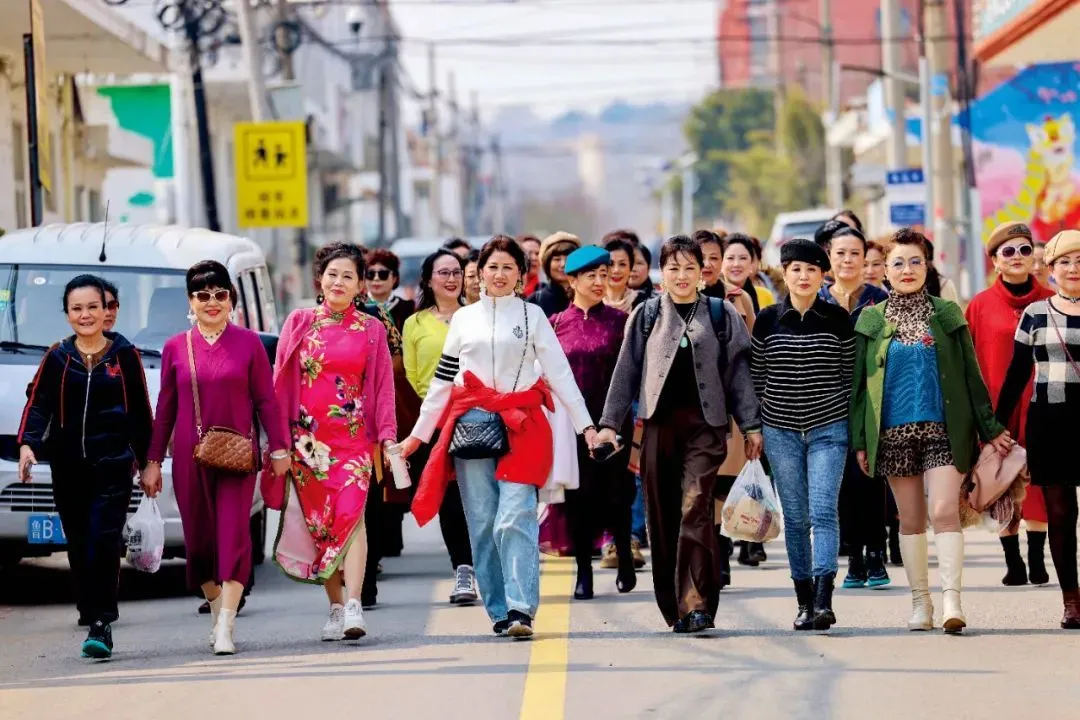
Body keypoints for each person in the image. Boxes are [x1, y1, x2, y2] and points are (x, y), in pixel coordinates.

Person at [399, 235, 597, 639]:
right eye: (493, 267)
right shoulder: (464, 320)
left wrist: (587, 427)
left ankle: (522, 607)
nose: (500, 274)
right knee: (485, 522)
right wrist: (417, 436)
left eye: (509, 267)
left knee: (515, 516)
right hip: (472, 426)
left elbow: (559, 374)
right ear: (481, 274)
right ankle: (499, 609)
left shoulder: (533, 317)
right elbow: (442, 382)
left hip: (523, 424)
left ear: (521, 275)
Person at [598, 235, 762, 634]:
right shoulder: (647, 315)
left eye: (690, 268)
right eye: (673, 268)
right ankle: (674, 606)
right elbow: (625, 374)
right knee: (662, 516)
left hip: (706, 430)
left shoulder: (722, 315)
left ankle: (698, 603)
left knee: (696, 508)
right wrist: (607, 424)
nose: (683, 275)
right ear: (661, 273)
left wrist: (752, 424)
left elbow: (740, 375)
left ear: (703, 274)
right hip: (658, 429)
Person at [850, 228, 1011, 634]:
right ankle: (920, 602)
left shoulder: (947, 313)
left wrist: (990, 428)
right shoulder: (870, 319)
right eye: (898, 263)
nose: (907, 269)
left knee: (943, 511)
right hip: (892, 433)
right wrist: (860, 441)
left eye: (915, 261)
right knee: (910, 519)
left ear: (927, 266)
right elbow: (857, 388)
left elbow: (971, 377)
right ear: (884, 270)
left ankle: (951, 600)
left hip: (943, 428)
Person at [142, 261, 289, 656]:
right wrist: (153, 460)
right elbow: (166, 409)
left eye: (220, 294)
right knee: (201, 545)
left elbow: (267, 402)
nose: (212, 302)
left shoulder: (249, 344)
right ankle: (215, 608)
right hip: (191, 459)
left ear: (231, 299)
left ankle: (226, 623)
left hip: (239, 458)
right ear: (190, 301)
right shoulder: (176, 347)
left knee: (233, 537)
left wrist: (278, 448)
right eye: (202, 295)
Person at [18, 275, 153, 659]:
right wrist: (28, 444)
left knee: (103, 539)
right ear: (67, 315)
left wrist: (149, 463)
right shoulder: (58, 356)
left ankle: (101, 623)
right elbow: (39, 404)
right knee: (78, 541)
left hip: (112, 465)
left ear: (106, 310)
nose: (86, 315)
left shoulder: (124, 355)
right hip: (68, 467)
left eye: (94, 307)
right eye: (77, 309)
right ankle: (89, 608)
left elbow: (141, 413)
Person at [269, 243, 397, 643]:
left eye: (348, 276)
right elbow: (280, 381)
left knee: (352, 517)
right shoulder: (299, 322)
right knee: (323, 527)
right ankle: (335, 606)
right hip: (308, 443)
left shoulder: (372, 329)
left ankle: (355, 603)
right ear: (319, 280)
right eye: (332, 274)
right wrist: (279, 442)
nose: (339, 282)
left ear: (360, 285)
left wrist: (388, 436)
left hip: (355, 442)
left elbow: (382, 387)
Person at [753, 239, 854, 630]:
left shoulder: (837, 318)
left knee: (823, 511)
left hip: (829, 428)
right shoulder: (766, 319)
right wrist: (757, 428)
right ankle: (802, 600)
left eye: (812, 269)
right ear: (785, 273)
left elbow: (848, 375)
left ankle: (824, 599)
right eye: (795, 269)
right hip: (780, 431)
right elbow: (757, 377)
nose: (804, 276)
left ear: (822, 275)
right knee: (795, 518)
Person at [996, 229, 1080, 629]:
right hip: (1049, 422)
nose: (1073, 268)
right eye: (1065, 261)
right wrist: (995, 425)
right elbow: (1016, 374)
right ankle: (1072, 601)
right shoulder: (1036, 314)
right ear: (1051, 269)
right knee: (1061, 514)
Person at [966, 221, 1053, 587]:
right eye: (1008, 251)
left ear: (1035, 258)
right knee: (1000, 482)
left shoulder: (1051, 299)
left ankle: (1036, 557)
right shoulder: (980, 306)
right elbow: (969, 364)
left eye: (1025, 249)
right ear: (995, 262)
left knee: (1042, 484)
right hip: (997, 413)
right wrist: (982, 420)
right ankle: (1012, 559)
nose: (1018, 257)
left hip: (1046, 407)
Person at [550, 246, 637, 599]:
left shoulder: (621, 322)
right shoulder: (555, 324)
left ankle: (625, 557)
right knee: (578, 501)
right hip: (571, 427)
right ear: (572, 281)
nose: (601, 281)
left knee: (617, 498)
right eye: (591, 276)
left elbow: (631, 375)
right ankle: (583, 572)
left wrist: (616, 424)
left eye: (605, 274)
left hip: (614, 424)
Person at [816, 224, 892, 590]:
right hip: (830, 403)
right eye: (840, 253)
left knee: (871, 478)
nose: (847, 260)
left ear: (866, 260)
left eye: (855, 254)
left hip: (874, 402)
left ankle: (876, 553)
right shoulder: (818, 300)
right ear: (829, 258)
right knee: (841, 482)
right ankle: (854, 560)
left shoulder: (880, 299)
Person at [402, 249, 478, 605]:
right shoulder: (415, 324)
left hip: (483, 416)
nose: (451, 279)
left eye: (457, 272)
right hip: (437, 422)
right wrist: (443, 406)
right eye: (443, 272)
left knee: (482, 496)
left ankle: (490, 565)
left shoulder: (476, 316)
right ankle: (462, 569)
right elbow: (415, 378)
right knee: (449, 498)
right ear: (429, 279)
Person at [694, 228, 756, 583]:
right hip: (692, 406)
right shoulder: (674, 299)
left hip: (730, 405)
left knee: (722, 482)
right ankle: (706, 553)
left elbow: (750, 355)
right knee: (699, 482)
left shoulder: (738, 300)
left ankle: (720, 552)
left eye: (714, 258)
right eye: (700, 258)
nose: (708, 265)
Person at [361, 248, 422, 598]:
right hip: (359, 413)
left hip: (400, 400)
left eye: (384, 274)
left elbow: (401, 361)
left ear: (395, 278)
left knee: (396, 471)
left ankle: (385, 544)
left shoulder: (403, 312)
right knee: (375, 483)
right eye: (371, 274)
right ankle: (372, 557)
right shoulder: (354, 313)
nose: (377, 280)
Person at [528, 231, 581, 317]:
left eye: (568, 259)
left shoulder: (588, 298)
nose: (563, 264)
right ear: (547, 264)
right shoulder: (535, 301)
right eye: (557, 259)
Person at [722, 233, 775, 314]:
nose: (736, 264)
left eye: (743, 258)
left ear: (752, 264)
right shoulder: (710, 296)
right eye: (730, 258)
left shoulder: (765, 295)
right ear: (721, 263)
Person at [603, 237, 642, 313]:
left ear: (630, 268)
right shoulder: (592, 302)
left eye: (622, 264)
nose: (616, 270)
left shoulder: (642, 305)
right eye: (610, 264)